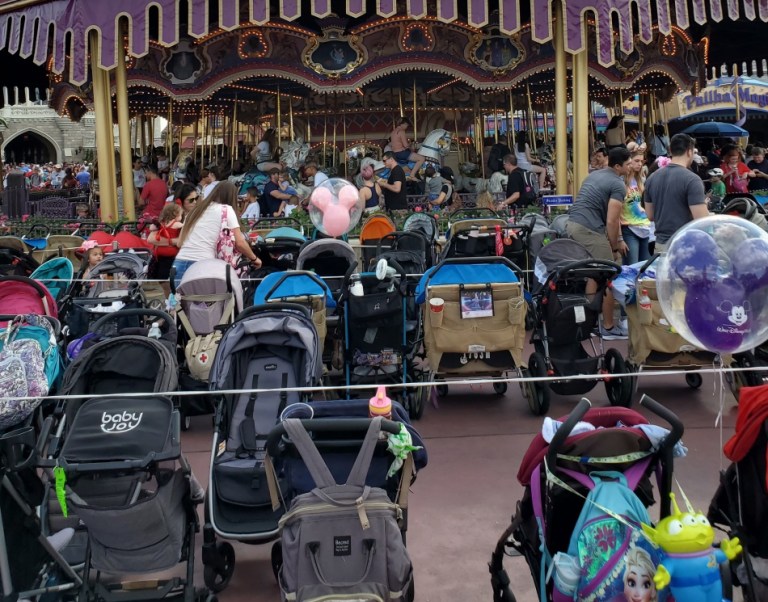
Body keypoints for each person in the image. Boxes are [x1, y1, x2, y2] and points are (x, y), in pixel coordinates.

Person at [565, 147, 632, 339]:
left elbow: (613, 217)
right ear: (618, 166)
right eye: (628, 164)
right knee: (608, 275)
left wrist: (618, 239)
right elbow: (612, 220)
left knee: (595, 275)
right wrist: (613, 245)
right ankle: (609, 327)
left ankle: (590, 323)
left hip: (574, 224)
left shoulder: (596, 175)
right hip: (589, 229)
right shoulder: (618, 185)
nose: (630, 167)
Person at [172, 181, 261, 286]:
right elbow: (240, 243)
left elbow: (180, 243)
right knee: (206, 302)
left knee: (181, 301)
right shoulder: (226, 210)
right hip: (203, 265)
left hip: (179, 263)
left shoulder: (195, 211)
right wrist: (254, 258)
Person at [644, 133, 709, 253]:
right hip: (685, 247)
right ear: (689, 152)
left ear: (670, 150)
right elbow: (701, 220)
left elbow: (650, 215)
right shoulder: (692, 179)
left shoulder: (652, 178)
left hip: (661, 246)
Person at [620, 150, 652, 265]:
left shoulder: (641, 181)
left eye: (641, 161)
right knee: (631, 267)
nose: (639, 164)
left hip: (645, 227)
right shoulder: (621, 182)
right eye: (636, 161)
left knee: (645, 268)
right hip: (628, 227)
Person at [147, 203, 183, 297]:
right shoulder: (177, 224)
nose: (181, 216)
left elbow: (151, 227)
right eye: (180, 214)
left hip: (161, 256)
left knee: (163, 279)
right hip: (171, 256)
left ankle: (168, 297)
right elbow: (183, 227)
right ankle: (171, 297)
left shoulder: (162, 224)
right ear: (175, 213)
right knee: (170, 278)